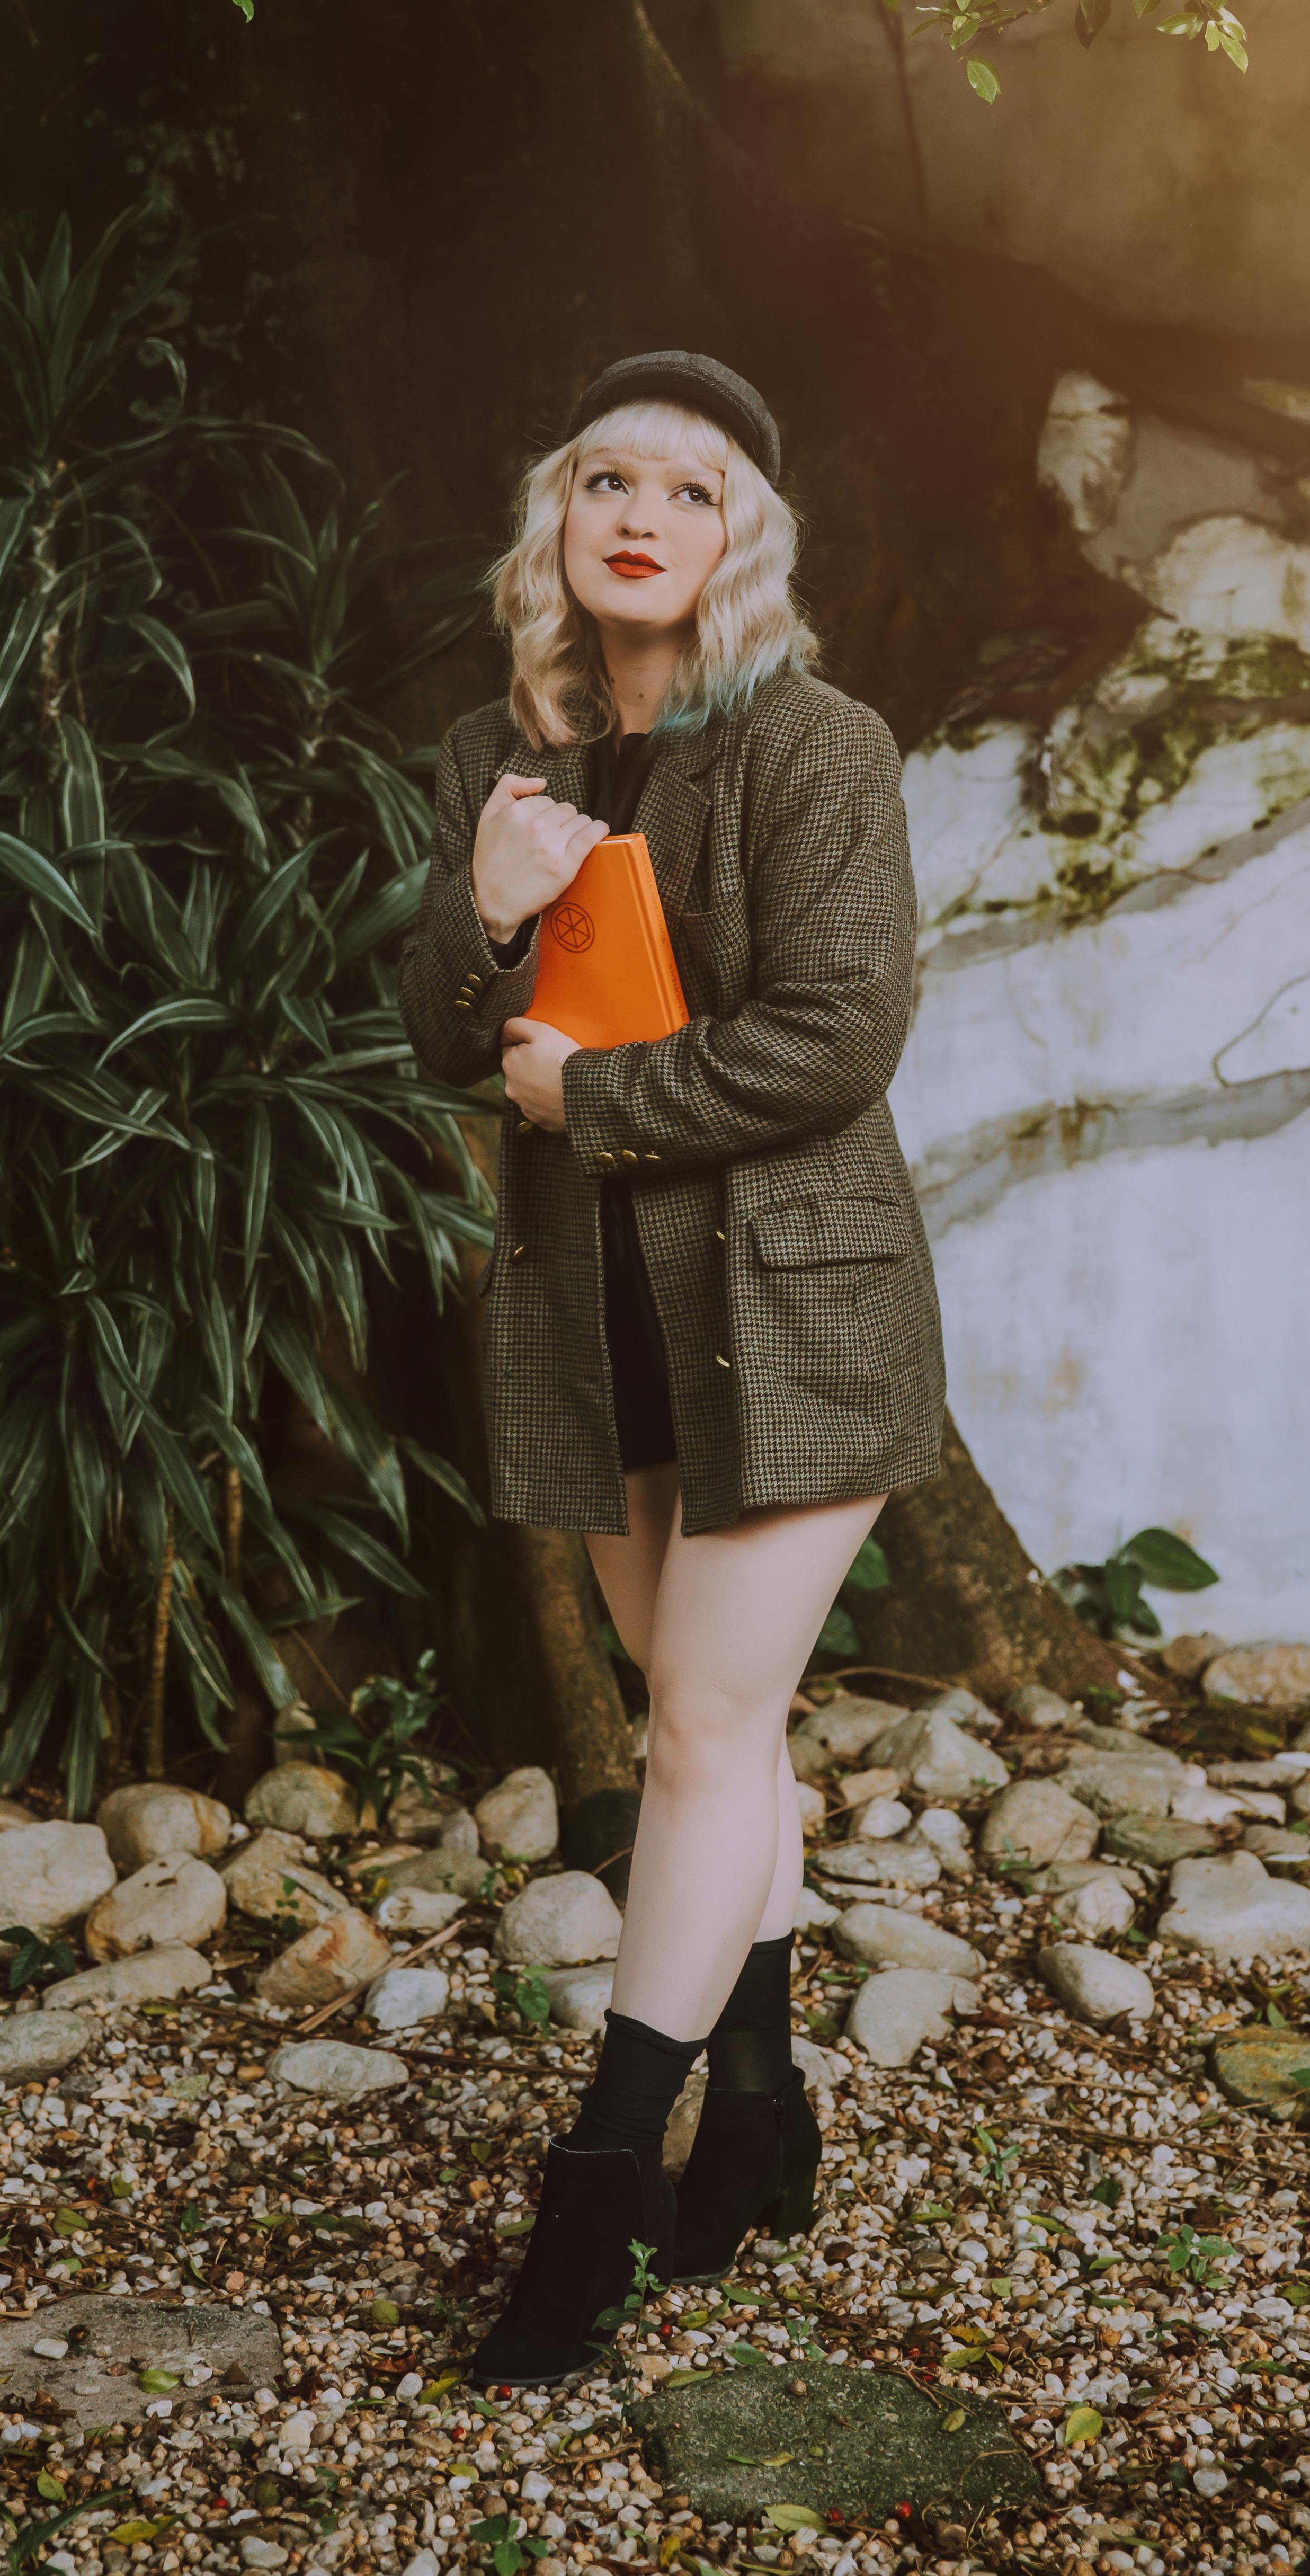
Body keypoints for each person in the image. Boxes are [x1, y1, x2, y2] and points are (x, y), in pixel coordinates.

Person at [399, 350, 945, 2386]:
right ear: (558, 521)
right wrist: (487, 906)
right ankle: (774, 2110)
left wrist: (594, 1088)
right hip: (597, 1322)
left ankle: (608, 2170)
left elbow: (837, 1031)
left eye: (687, 490)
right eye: (603, 478)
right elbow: (448, 1033)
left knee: (702, 1733)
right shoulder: (509, 747)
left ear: (744, 542)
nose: (638, 513)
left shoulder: (819, 743)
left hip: (795, 1309)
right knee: (717, 1723)